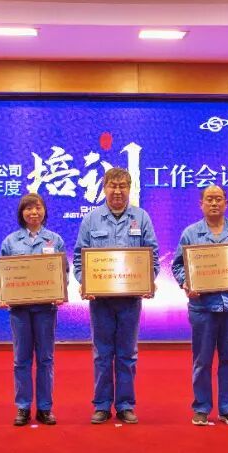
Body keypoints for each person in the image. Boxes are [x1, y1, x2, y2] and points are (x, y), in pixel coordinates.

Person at [73, 167, 159, 425]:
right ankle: (101, 405)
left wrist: (147, 280)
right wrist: (85, 282)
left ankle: (125, 405)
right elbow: (79, 258)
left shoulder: (141, 217)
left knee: (127, 354)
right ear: (105, 188)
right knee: (102, 354)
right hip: (100, 301)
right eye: (113, 185)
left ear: (129, 189)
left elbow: (152, 256)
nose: (118, 191)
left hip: (130, 301)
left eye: (123, 186)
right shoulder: (91, 219)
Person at [171, 185, 228, 426]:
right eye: (209, 199)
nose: (214, 203)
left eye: (218, 199)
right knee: (202, 361)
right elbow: (178, 266)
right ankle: (201, 408)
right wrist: (186, 283)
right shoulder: (190, 234)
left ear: (226, 203)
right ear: (201, 204)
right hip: (202, 308)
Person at [0, 193, 67, 426]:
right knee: (21, 359)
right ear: (22, 213)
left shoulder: (55, 240)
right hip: (19, 311)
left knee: (46, 359)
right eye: (28, 208)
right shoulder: (10, 242)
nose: (33, 212)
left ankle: (45, 408)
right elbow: (4, 275)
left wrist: (61, 291)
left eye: (37, 207)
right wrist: (3, 294)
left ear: (44, 211)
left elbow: (63, 272)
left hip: (46, 310)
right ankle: (23, 407)